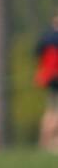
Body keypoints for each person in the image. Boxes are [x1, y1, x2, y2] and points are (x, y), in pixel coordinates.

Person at [34, 13, 58, 152]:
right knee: (54, 110)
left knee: (50, 108)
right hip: (55, 76)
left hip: (48, 76)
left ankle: (45, 141)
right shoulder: (53, 38)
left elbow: (37, 53)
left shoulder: (45, 37)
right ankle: (50, 141)